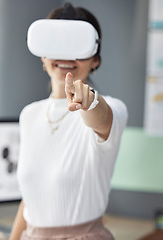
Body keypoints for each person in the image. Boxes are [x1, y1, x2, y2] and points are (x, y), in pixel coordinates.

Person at [9, 3, 128, 240]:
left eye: (77, 47)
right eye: (56, 46)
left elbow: (100, 117)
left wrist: (89, 102)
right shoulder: (29, 115)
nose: (66, 57)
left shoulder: (114, 108)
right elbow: (31, 200)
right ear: (43, 56)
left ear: (95, 60)